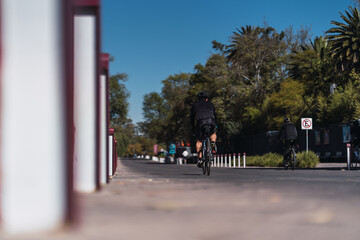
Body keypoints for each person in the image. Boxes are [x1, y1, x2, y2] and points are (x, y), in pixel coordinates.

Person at [191, 92, 217, 168]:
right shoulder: (211, 104)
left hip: (200, 122)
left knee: (199, 141)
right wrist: (216, 124)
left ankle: (200, 159)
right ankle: (212, 143)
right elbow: (215, 115)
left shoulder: (195, 105)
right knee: (213, 133)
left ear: (198, 99)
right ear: (207, 99)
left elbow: (192, 118)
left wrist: (192, 126)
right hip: (211, 121)